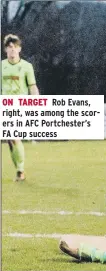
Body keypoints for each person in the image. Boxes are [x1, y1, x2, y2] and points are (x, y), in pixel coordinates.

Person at [1, 34, 40, 182]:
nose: (12, 50)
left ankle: (20, 170)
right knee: (10, 141)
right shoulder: (2, 66)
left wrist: (36, 102)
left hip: (20, 106)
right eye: (9, 47)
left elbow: (32, 86)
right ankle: (19, 168)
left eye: (15, 47)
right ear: (5, 50)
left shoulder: (26, 67)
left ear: (19, 49)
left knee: (15, 138)